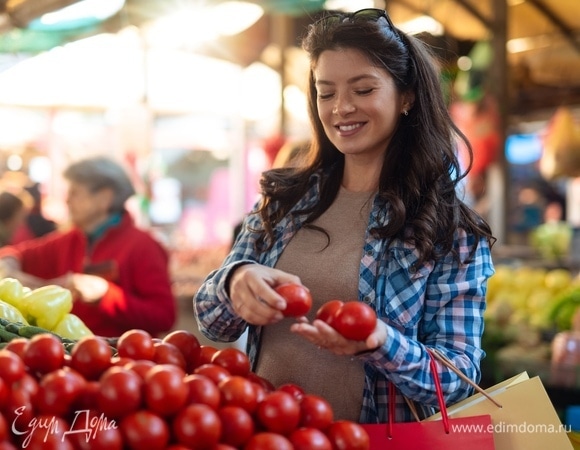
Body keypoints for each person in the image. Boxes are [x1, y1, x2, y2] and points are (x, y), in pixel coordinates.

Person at [194, 7, 495, 424]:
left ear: (406, 96)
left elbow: (460, 378)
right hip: (267, 433)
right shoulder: (283, 201)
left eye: (363, 89)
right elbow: (213, 323)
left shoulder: (449, 230)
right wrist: (236, 280)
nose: (341, 108)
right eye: (327, 92)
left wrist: (381, 344)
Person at [0, 156, 176, 337]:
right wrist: (9, 261)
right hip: (69, 355)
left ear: (104, 198)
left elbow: (164, 316)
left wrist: (106, 294)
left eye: (75, 193)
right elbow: (17, 253)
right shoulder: (69, 239)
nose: (67, 200)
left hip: (122, 358)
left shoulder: (144, 246)